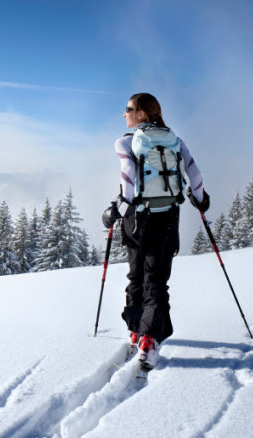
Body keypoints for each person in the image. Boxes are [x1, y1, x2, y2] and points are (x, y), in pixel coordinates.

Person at [102, 93, 210, 370]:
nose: (123, 114)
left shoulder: (125, 142)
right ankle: (150, 340)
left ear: (140, 114)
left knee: (136, 275)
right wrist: (200, 199)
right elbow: (195, 175)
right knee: (157, 281)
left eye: (128, 109)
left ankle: (137, 330)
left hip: (137, 220)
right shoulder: (175, 140)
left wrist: (117, 212)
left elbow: (128, 178)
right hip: (168, 219)